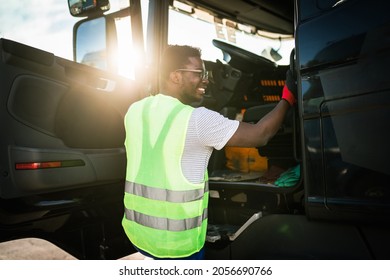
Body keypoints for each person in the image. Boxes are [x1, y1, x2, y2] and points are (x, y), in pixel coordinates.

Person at [122, 45, 297, 260]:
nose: (206, 80)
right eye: (199, 74)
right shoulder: (196, 119)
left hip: (140, 236)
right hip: (179, 248)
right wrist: (288, 97)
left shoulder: (135, 110)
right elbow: (261, 135)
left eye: (207, 74)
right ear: (175, 76)